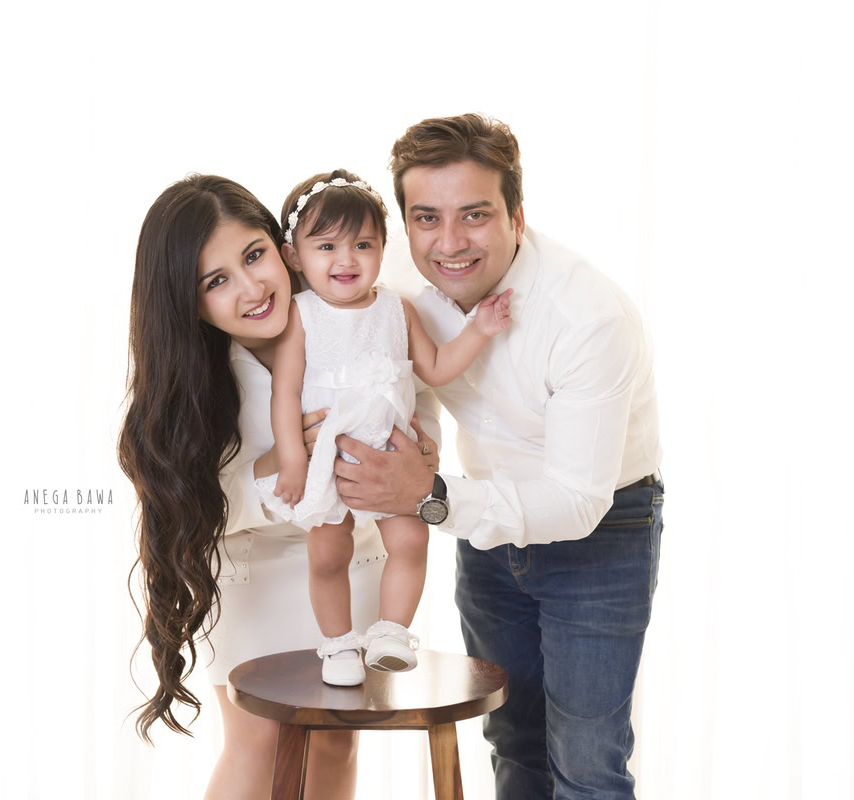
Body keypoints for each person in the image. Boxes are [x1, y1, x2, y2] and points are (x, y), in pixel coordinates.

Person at [332, 114, 664, 799]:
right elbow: (399, 366)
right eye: (426, 217)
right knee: (512, 738)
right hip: (482, 517)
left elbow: (576, 501)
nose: (449, 243)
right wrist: (415, 434)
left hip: (601, 529)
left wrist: (429, 493)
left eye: (475, 215)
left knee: (588, 756)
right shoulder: (397, 278)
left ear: (517, 215)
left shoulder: (588, 317)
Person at [117, 174, 440, 799]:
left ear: (284, 246)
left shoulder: (365, 314)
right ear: (187, 302)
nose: (252, 287)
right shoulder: (194, 380)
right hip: (256, 577)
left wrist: (419, 460)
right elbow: (193, 507)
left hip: (355, 563)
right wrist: (279, 470)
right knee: (260, 740)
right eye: (216, 281)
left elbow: (413, 414)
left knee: (336, 737)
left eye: (254, 255)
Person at [256, 169, 512, 686]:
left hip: (391, 458)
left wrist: (480, 330)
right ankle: (337, 647)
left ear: (381, 248)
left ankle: (391, 633)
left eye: (363, 245)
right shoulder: (301, 315)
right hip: (330, 454)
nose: (346, 260)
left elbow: (435, 369)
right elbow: (284, 394)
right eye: (326, 246)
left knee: (412, 540)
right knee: (330, 552)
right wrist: (291, 459)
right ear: (293, 256)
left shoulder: (398, 309)